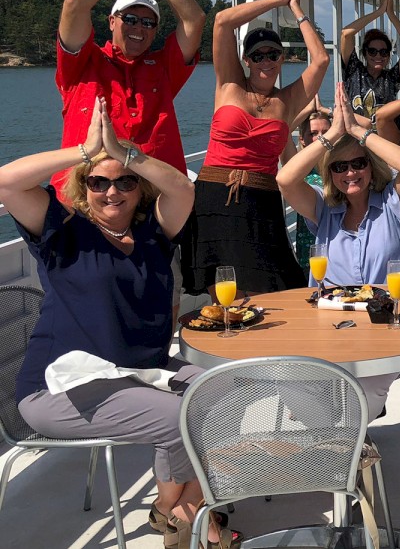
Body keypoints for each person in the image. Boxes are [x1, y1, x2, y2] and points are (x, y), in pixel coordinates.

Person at [0, 98, 242, 548]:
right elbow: (7, 182)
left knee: (230, 392)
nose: (112, 191)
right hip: (61, 387)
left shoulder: (152, 233)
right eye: (98, 182)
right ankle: (191, 523)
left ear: (139, 186)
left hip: (143, 372)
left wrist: (128, 152)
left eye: (125, 181)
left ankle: (172, 510)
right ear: (84, 185)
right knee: (178, 419)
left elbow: (185, 192)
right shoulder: (63, 232)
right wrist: (86, 150)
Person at [277, 90, 400, 420]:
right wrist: (330, 136)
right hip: (332, 326)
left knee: (363, 390)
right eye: (340, 167)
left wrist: (361, 133)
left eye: (359, 164)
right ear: (330, 174)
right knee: (288, 380)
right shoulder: (324, 211)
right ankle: (344, 449)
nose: (350, 173)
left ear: (371, 168)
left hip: (389, 327)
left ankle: (344, 448)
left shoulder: (392, 204)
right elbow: (285, 179)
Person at [182, 0, 328, 297]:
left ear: (281, 60)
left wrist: (297, 11)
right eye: (258, 55)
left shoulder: (287, 101)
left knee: (272, 288)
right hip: (214, 196)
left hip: (261, 202)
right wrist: (277, 0)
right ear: (246, 60)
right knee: (221, 291)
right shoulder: (229, 84)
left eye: (273, 54)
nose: (266, 61)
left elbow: (321, 60)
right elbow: (222, 22)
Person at [53, 0, 206, 198]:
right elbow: (74, 3)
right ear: (111, 21)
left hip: (155, 204)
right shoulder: (81, 64)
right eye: (130, 19)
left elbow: (194, 20)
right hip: (87, 200)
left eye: (149, 22)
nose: (139, 27)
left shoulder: (163, 68)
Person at [338, 0, 400, 120]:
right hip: (354, 137)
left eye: (384, 52)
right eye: (372, 51)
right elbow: (346, 34)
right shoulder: (354, 72)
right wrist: (379, 12)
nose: (378, 56)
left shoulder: (392, 78)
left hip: (381, 139)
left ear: (388, 55)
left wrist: (392, 15)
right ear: (364, 53)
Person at [291, 105, 333, 270]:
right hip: (311, 252)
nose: (321, 138)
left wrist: (326, 110)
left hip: (341, 247)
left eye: (326, 132)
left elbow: (365, 125)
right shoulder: (299, 169)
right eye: (313, 133)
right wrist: (307, 108)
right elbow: (284, 130)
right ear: (302, 139)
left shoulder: (346, 166)